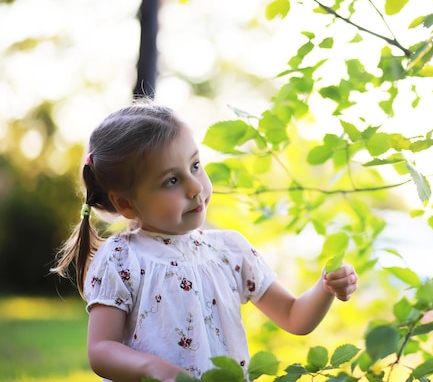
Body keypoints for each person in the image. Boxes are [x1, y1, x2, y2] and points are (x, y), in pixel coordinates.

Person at [51, 102, 358, 382]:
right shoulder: (121, 258)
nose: (195, 187)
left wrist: (326, 288)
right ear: (126, 203)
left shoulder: (230, 250)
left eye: (195, 165)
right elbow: (102, 349)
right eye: (172, 180)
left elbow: (294, 316)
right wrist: (153, 368)